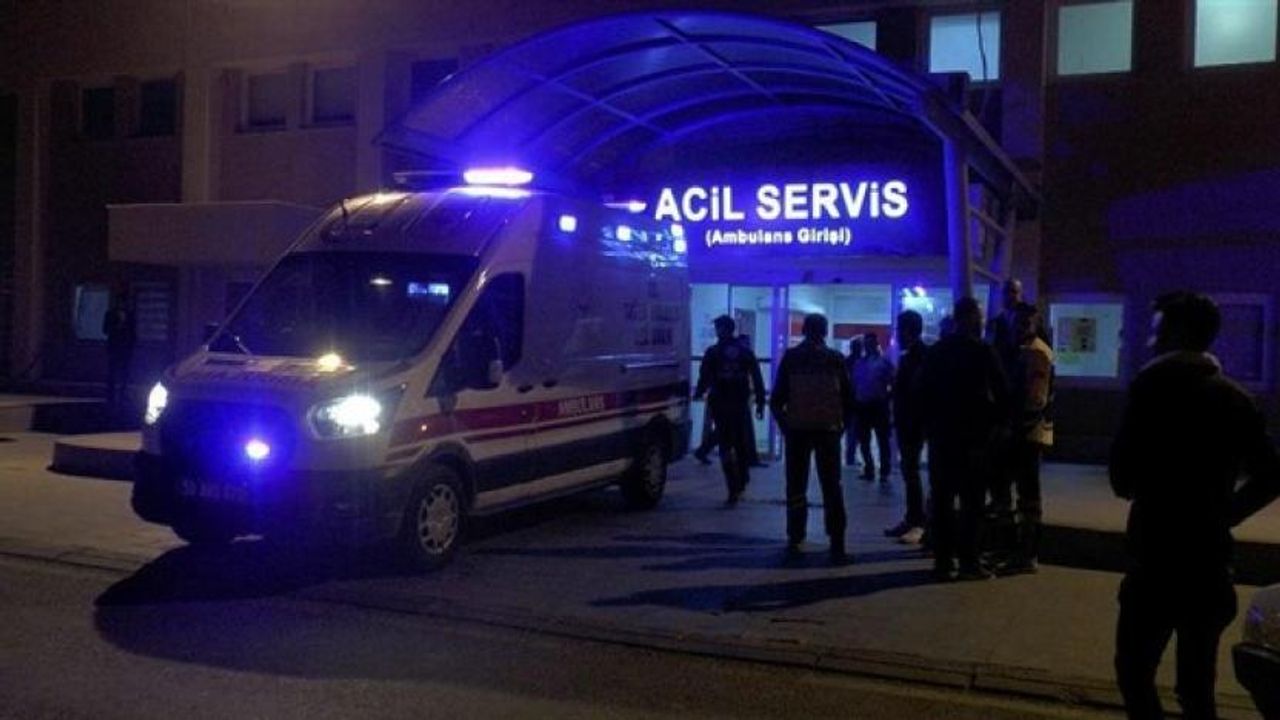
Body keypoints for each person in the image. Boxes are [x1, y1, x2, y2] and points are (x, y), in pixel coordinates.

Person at [1110, 291, 1280, 720]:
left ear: (1177, 333)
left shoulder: (1149, 392)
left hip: (1154, 556)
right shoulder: (1235, 398)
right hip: (1209, 560)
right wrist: (1225, 515)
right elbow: (1271, 475)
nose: (1151, 341)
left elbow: (1121, 478)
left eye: (1157, 331)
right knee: (1197, 685)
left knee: (1134, 671)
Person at [921, 297, 1008, 581]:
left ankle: (943, 562)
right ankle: (969, 561)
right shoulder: (982, 351)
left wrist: (929, 426)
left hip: (942, 437)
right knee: (972, 503)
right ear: (970, 318)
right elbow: (1002, 392)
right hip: (974, 438)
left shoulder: (937, 351)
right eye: (979, 316)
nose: (982, 322)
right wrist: (998, 425)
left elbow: (921, 391)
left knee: (943, 502)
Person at [770, 313, 855, 563]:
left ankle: (795, 536)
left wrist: (786, 428)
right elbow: (849, 399)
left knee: (796, 486)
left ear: (804, 330)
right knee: (832, 487)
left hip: (797, 432)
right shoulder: (835, 359)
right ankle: (837, 542)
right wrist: (840, 428)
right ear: (825, 332)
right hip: (828, 431)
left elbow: (777, 400)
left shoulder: (792, 358)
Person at [996, 302, 1054, 574]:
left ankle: (1027, 553)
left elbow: (1035, 399)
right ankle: (1019, 550)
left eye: (1024, 323)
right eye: (1016, 322)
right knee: (1022, 494)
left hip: (1027, 433)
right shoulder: (1024, 350)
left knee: (1027, 496)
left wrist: (1013, 426)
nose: (1019, 327)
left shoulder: (1035, 352)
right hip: (1025, 431)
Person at [694, 315, 766, 505]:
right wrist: (760, 401)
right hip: (740, 403)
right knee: (740, 443)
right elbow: (756, 377)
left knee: (725, 445)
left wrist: (699, 392)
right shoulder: (745, 352)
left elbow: (704, 377)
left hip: (720, 403)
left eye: (717, 327)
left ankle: (733, 486)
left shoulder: (713, 352)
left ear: (721, 329)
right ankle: (741, 478)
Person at [884, 310, 928, 545]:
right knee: (908, 470)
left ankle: (918, 521)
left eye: (899, 329)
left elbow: (916, 391)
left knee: (911, 471)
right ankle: (913, 518)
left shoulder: (920, 356)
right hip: (908, 421)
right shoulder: (910, 356)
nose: (897, 334)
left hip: (914, 422)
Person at [854, 331, 894, 482]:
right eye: (866, 343)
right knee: (864, 440)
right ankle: (870, 468)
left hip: (878, 404)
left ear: (876, 344)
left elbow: (894, 382)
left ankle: (884, 471)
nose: (868, 346)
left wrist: (886, 397)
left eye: (870, 343)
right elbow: (855, 384)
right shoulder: (860, 363)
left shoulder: (884, 363)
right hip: (863, 405)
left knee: (882, 439)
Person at [102, 288, 136, 407]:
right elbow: (105, 330)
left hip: (126, 348)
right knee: (112, 372)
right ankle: (110, 395)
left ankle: (123, 394)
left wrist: (132, 346)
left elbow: (133, 332)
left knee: (125, 373)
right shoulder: (110, 314)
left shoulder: (130, 315)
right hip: (114, 347)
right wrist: (117, 325)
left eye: (124, 302)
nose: (122, 304)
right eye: (121, 302)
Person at [985, 278, 1023, 372]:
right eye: (1006, 291)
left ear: (1020, 294)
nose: (1010, 295)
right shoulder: (994, 322)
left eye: (1014, 291)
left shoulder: (1029, 320)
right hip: (1001, 372)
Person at [843, 336, 864, 468]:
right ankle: (851, 457)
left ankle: (850, 456)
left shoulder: (846, 362)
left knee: (851, 431)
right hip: (857, 401)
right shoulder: (861, 362)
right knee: (855, 431)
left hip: (848, 401)